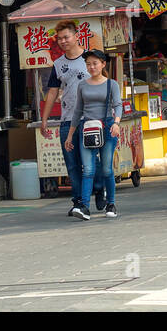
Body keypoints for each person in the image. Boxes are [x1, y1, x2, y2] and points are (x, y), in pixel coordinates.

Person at [39, 19, 88, 213]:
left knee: (92, 163)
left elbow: (105, 83)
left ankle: (100, 190)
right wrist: (45, 119)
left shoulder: (91, 59)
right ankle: (78, 202)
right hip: (67, 120)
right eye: (59, 39)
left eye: (66, 37)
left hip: (90, 119)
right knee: (72, 164)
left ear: (76, 36)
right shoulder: (58, 64)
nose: (63, 41)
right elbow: (52, 92)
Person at [68, 50, 123, 220]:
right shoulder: (82, 85)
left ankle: (111, 203)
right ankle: (84, 206)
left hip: (106, 127)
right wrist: (70, 135)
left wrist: (116, 123)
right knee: (88, 169)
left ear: (103, 64)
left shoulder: (111, 84)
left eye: (95, 63)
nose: (91, 67)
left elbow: (118, 105)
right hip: (87, 128)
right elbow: (77, 111)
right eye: (88, 64)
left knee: (106, 169)